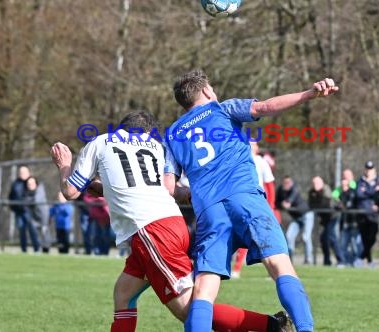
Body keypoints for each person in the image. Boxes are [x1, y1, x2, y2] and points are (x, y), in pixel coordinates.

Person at [50, 111, 293, 332]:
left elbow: (70, 192)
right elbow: (154, 188)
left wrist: (64, 166)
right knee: (123, 293)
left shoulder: (101, 142)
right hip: (170, 223)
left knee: (189, 311)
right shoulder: (156, 146)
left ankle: (272, 326)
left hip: (151, 232)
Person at [163, 69, 338, 332]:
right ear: (207, 91)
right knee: (279, 265)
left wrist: (188, 193)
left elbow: (168, 187)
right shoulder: (222, 109)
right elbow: (266, 107)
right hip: (244, 198)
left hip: (209, 212)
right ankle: (304, 329)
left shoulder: (172, 133)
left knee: (204, 289)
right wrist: (308, 94)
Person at [231, 141, 276, 278]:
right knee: (242, 234)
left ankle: (274, 270)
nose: (251, 146)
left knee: (267, 238)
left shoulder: (261, 162)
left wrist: (271, 205)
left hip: (258, 203)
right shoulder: (238, 158)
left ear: (257, 148)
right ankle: (236, 268)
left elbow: (269, 185)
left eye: (253, 144)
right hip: (241, 202)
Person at [276, 176, 313, 265]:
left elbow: (287, 204)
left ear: (291, 183)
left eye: (288, 183)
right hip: (296, 218)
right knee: (289, 236)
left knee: (306, 237)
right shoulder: (280, 190)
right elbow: (277, 203)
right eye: (285, 183)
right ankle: (290, 258)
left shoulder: (294, 189)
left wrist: (285, 203)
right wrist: (281, 203)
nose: (286, 184)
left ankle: (308, 260)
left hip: (306, 215)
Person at [309, 176, 342, 267]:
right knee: (324, 239)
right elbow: (311, 204)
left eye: (317, 183)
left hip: (332, 217)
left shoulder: (326, 190)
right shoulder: (312, 192)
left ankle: (341, 260)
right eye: (314, 183)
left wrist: (318, 204)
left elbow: (325, 204)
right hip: (324, 219)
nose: (315, 185)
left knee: (331, 237)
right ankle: (327, 261)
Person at [8, 166, 40, 253]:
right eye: (21, 172)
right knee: (22, 230)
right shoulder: (15, 183)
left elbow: (35, 195)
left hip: (29, 211)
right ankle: (23, 250)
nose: (22, 174)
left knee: (32, 230)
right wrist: (13, 207)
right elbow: (11, 197)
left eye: (24, 172)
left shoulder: (31, 181)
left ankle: (37, 249)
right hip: (19, 211)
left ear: (28, 173)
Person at [355, 160, 379, 268]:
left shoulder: (378, 180)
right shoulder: (360, 181)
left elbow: (377, 194)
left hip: (373, 215)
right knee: (365, 238)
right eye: (367, 169)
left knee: (372, 237)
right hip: (362, 213)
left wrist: (367, 191)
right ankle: (369, 261)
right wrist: (372, 191)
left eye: (371, 169)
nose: (369, 171)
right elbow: (359, 194)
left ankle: (360, 257)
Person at [337, 178, 361, 266]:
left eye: (345, 185)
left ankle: (355, 261)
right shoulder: (341, 195)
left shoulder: (353, 194)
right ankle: (343, 261)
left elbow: (350, 206)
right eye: (342, 185)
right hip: (345, 223)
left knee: (355, 244)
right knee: (343, 244)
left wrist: (344, 206)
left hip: (354, 223)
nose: (344, 187)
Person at [25, 176, 50, 254]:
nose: (30, 185)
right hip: (34, 217)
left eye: (32, 183)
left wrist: (28, 201)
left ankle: (46, 250)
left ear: (36, 184)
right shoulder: (27, 192)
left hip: (43, 217)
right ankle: (37, 249)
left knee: (44, 233)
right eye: (28, 184)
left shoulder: (40, 190)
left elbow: (36, 200)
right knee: (34, 233)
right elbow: (25, 201)